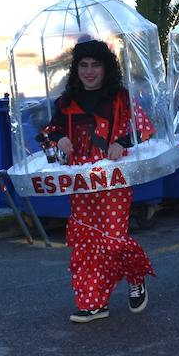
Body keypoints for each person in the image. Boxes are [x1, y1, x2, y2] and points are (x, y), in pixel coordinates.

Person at [39, 39, 154, 324]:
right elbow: (47, 133)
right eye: (84, 65)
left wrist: (122, 142)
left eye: (96, 65)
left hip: (113, 177)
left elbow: (145, 128)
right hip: (79, 181)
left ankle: (135, 276)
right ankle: (93, 302)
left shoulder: (120, 98)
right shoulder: (65, 103)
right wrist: (58, 138)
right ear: (76, 69)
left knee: (113, 240)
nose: (89, 71)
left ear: (106, 68)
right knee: (86, 241)